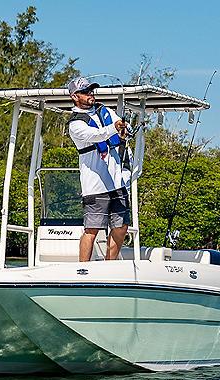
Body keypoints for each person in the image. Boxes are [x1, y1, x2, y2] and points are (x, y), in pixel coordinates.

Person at [66, 77, 130, 262]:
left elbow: (122, 126)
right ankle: (83, 269)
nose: (90, 95)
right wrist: (114, 128)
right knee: (92, 230)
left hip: (117, 182)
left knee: (121, 227)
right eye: (85, 92)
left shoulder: (105, 111)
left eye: (91, 91)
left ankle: (109, 266)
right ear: (75, 96)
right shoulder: (75, 124)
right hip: (95, 185)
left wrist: (126, 129)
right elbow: (97, 135)